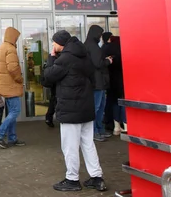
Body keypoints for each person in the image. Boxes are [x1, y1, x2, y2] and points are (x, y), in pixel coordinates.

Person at [44, 30, 107, 192]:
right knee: (88, 143)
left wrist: (51, 58)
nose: (53, 45)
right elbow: (92, 79)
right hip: (86, 108)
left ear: (61, 43)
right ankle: (97, 177)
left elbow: (47, 77)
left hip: (70, 109)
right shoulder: (83, 56)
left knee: (70, 146)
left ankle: (72, 179)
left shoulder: (65, 59)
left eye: (54, 42)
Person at [0, 27, 25, 149]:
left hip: (5, 86)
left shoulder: (1, 47)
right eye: (16, 38)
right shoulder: (10, 49)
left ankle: (12, 138)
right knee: (15, 111)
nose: (16, 40)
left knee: (11, 112)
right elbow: (13, 68)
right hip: (11, 86)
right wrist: (20, 79)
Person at [84, 25, 113, 141]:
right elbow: (98, 63)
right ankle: (96, 131)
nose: (101, 37)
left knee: (98, 107)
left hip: (94, 81)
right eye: (100, 34)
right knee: (98, 107)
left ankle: (99, 130)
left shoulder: (87, 45)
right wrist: (108, 61)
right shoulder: (94, 46)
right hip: (98, 81)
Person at [103, 36, 126, 135]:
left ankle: (116, 127)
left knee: (114, 103)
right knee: (123, 103)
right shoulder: (122, 50)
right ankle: (126, 126)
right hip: (122, 80)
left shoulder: (106, 50)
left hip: (110, 81)